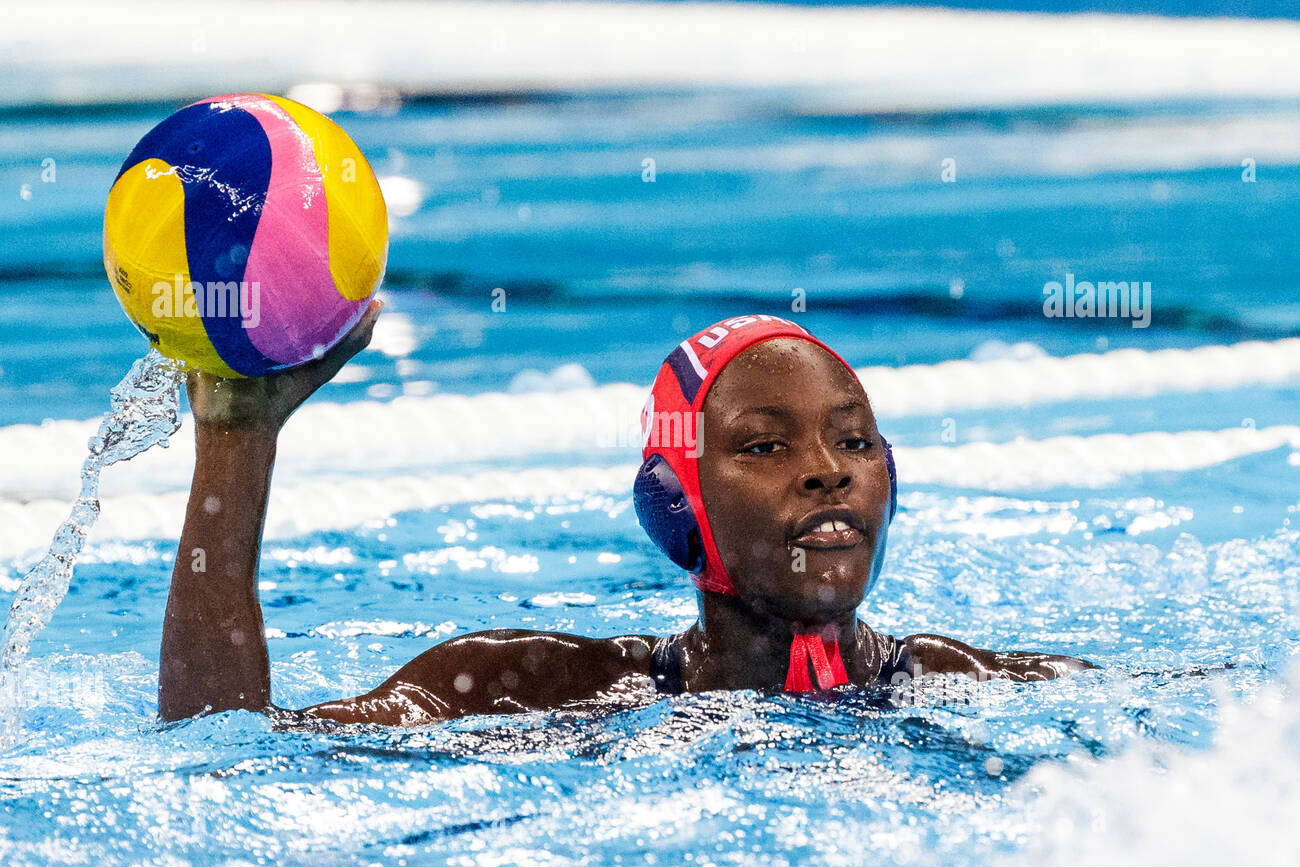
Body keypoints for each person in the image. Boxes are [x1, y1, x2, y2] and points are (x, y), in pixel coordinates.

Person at [159, 303, 1094, 726]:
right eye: (765, 446)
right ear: (672, 505)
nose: (826, 475)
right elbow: (222, 740)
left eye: (853, 443)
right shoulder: (523, 689)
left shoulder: (987, 688)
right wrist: (237, 445)